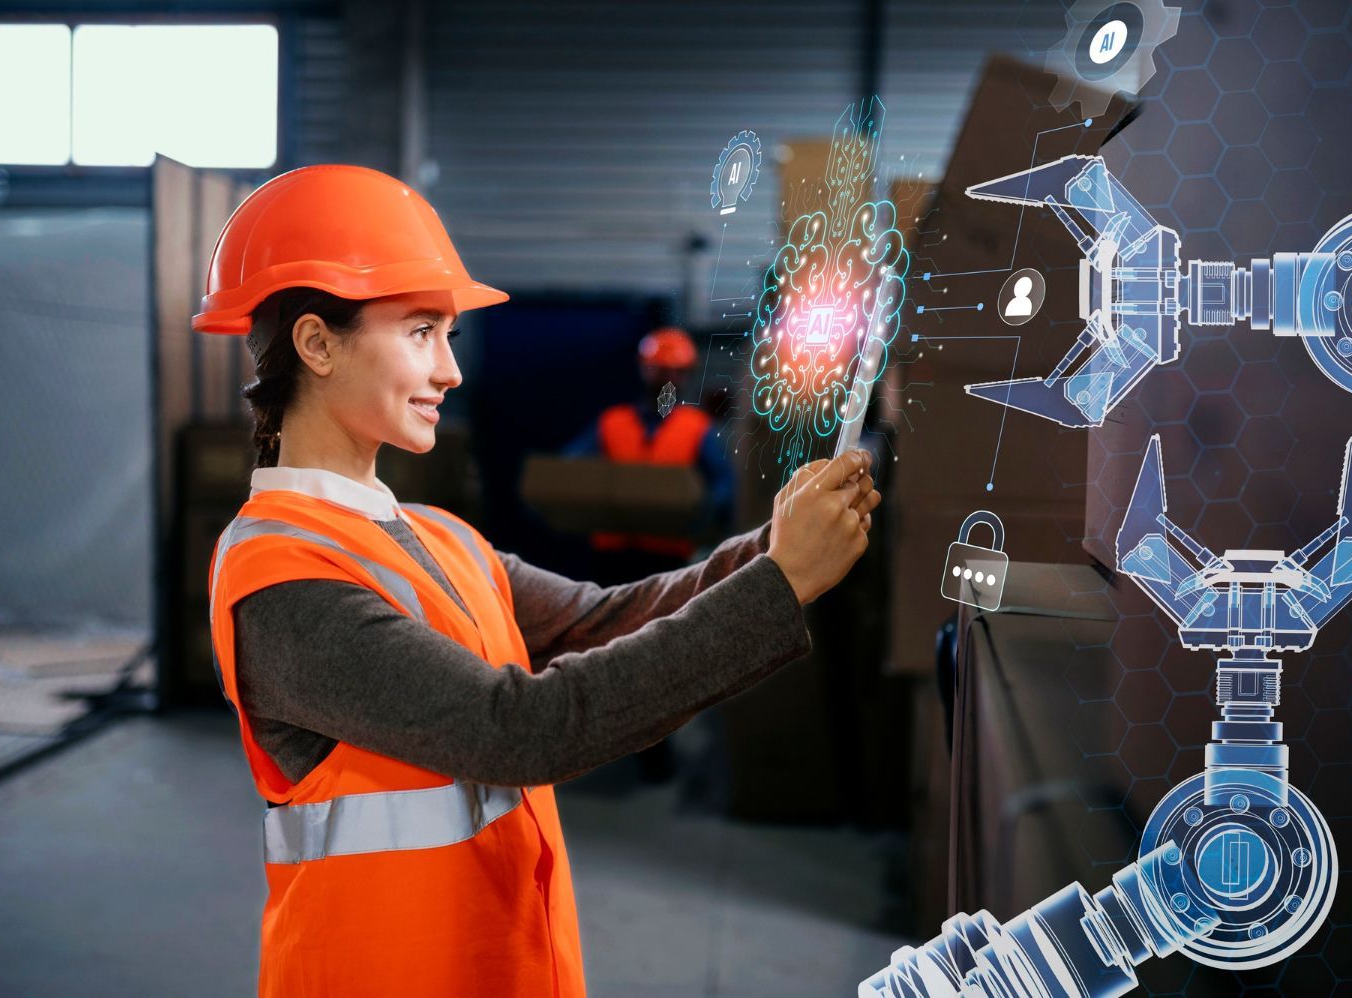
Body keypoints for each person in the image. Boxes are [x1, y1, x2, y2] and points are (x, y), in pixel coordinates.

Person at [195, 164, 879, 998]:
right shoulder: (281, 581)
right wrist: (779, 585)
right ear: (316, 343)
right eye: (420, 332)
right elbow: (522, 729)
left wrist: (776, 548)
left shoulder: (438, 538)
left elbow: (607, 619)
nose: (450, 371)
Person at [564, 325, 736, 582]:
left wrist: (701, 514)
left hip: (669, 554)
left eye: (677, 372)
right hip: (613, 553)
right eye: (660, 370)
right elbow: (568, 471)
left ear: (687, 376)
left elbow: (724, 484)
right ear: (644, 369)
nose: (668, 379)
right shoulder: (611, 423)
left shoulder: (697, 427)